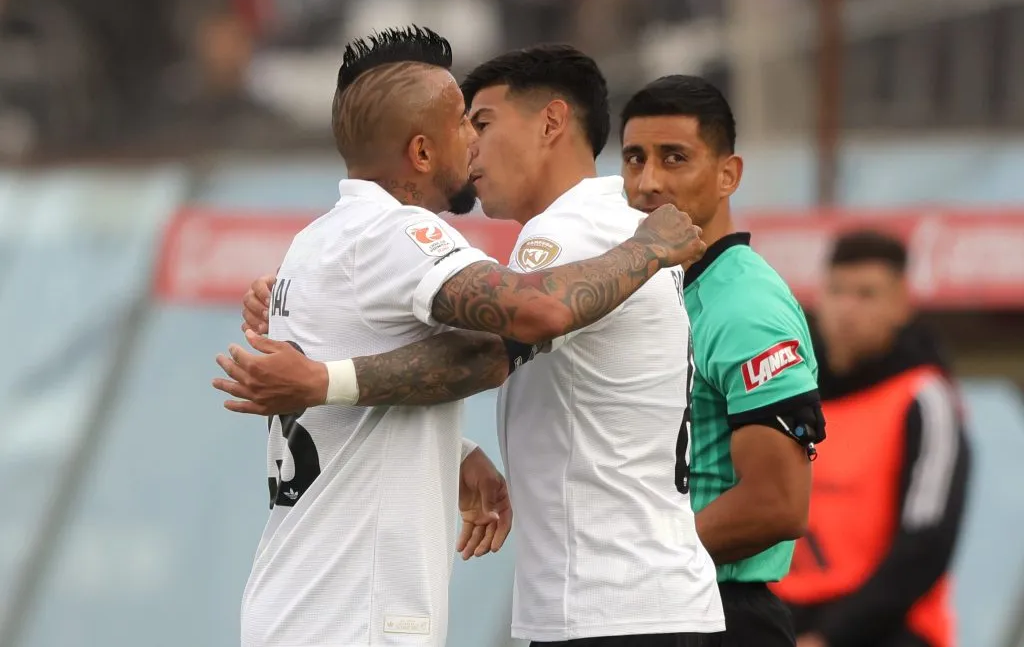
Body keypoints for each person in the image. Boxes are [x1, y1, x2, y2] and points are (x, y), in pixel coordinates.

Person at [216, 45, 725, 646]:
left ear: (552, 123)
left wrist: (332, 381)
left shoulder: (567, 231)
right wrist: (453, 449)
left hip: (611, 606)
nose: (473, 142)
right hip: (372, 611)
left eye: (480, 121)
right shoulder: (397, 232)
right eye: (465, 123)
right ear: (422, 149)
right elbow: (513, 328)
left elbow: (497, 344)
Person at [618, 74, 827, 647]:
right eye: (634, 158)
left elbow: (777, 504)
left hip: (718, 616)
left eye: (674, 158)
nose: (647, 181)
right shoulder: (653, 289)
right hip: (655, 606)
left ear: (728, 174)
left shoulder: (746, 305)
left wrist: (635, 566)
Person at [773, 230, 970, 647]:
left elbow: (926, 542)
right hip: (783, 622)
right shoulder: (787, 391)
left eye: (866, 294)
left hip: (891, 631)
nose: (847, 309)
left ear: (901, 304)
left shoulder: (923, 396)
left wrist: (830, 637)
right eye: (837, 291)